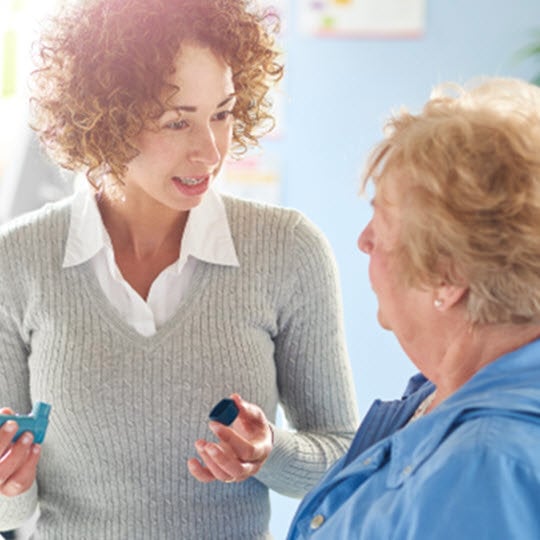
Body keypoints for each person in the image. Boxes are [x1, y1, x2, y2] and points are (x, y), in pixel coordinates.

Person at [0, 0, 360, 538]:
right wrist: (9, 485)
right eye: (177, 122)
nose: (211, 151)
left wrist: (267, 453)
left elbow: (341, 456)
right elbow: (11, 513)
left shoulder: (288, 250)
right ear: (107, 119)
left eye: (223, 113)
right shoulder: (17, 261)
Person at [287, 76, 540, 539]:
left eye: (381, 221)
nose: (363, 240)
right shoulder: (437, 395)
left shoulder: (485, 469)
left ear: (447, 277)